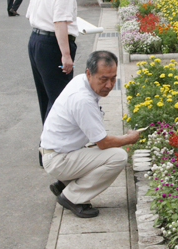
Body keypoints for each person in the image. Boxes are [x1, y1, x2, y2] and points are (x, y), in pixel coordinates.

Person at [39, 51, 140, 218]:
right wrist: (129, 138)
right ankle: (72, 197)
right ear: (89, 73)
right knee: (117, 156)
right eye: (103, 79)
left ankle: (64, 183)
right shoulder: (82, 99)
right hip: (58, 159)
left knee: (99, 149)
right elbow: (103, 143)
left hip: (58, 151)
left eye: (113, 78)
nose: (109, 85)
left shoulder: (81, 80)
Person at [27, 0, 91, 166]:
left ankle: (45, 152)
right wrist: (65, 54)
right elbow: (59, 22)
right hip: (52, 46)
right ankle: (54, 155)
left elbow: (33, 15)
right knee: (61, 102)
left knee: (47, 98)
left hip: (36, 41)